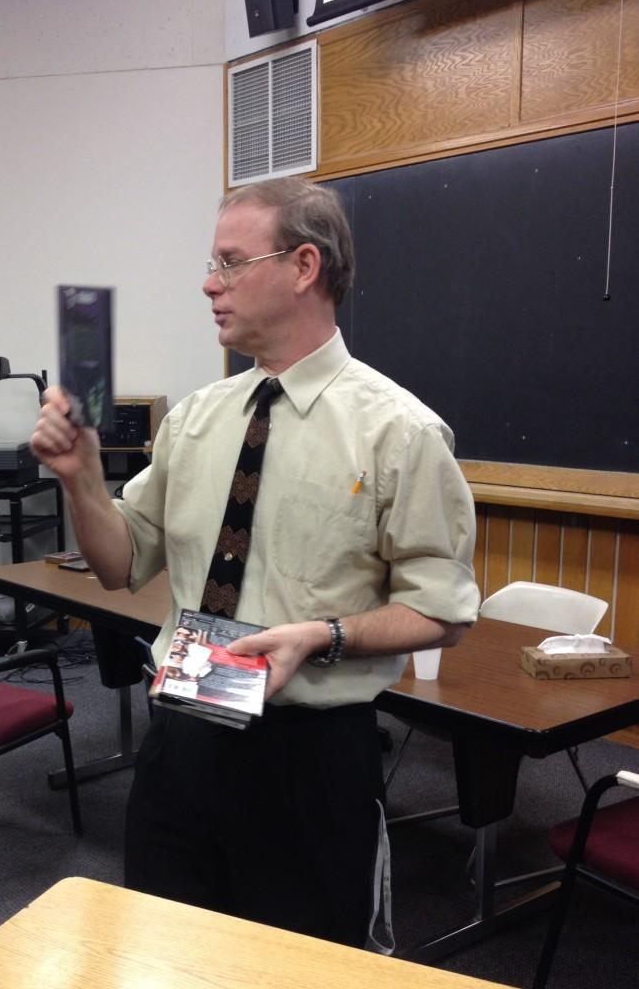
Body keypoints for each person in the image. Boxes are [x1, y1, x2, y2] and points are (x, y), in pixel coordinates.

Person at [30, 176, 480, 950]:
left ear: (304, 266)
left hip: (309, 756)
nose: (209, 283)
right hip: (182, 735)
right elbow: (119, 563)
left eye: (231, 263)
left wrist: (321, 636)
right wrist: (81, 481)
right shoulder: (197, 420)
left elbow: (441, 609)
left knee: (298, 963)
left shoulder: (398, 433)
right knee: (166, 950)